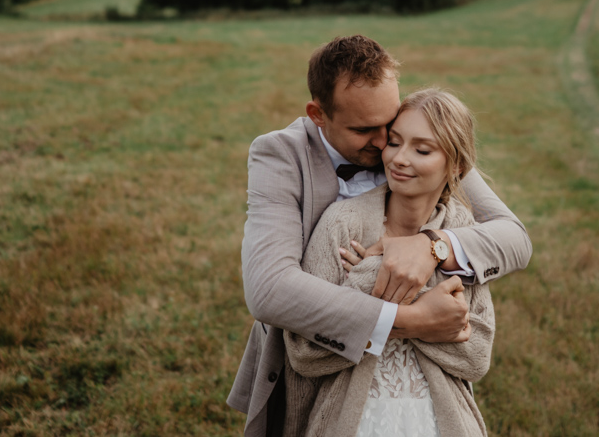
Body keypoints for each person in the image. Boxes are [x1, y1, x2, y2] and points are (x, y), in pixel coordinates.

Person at [227, 35, 531, 436]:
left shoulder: (412, 137)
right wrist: (413, 319)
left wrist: (431, 246)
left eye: (389, 123)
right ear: (318, 115)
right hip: (320, 357)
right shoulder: (281, 154)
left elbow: (514, 238)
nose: (386, 144)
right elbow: (269, 289)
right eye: (366, 130)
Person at [283, 87, 494, 437]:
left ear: (456, 165)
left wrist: (370, 285)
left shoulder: (461, 232)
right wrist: (418, 309)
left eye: (422, 149)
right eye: (394, 143)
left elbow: (475, 358)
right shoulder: (343, 223)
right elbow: (304, 352)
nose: (398, 159)